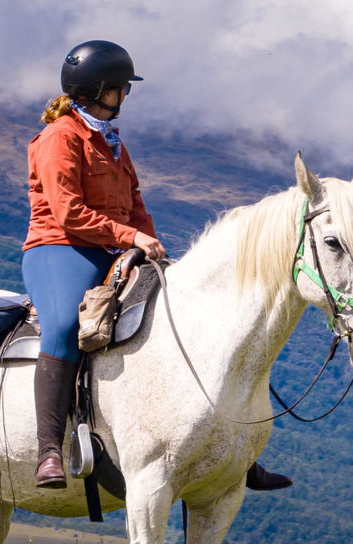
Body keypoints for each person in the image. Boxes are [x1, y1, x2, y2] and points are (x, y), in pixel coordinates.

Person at [22, 40, 292, 492]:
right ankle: (48, 449)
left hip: (114, 247)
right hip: (60, 247)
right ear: (100, 89)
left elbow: (135, 204)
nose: (126, 95)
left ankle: (235, 449)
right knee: (66, 325)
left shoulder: (111, 142)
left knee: (188, 315)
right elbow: (68, 213)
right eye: (122, 88)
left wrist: (151, 246)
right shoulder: (59, 138)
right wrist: (131, 237)